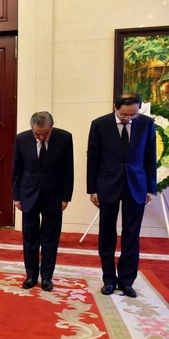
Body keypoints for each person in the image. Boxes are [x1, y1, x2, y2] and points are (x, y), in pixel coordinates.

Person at [87, 93, 157, 298]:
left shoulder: (146, 124)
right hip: (107, 185)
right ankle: (109, 279)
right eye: (125, 115)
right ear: (115, 108)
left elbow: (150, 157)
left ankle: (127, 281)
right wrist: (92, 189)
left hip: (136, 184)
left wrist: (150, 188)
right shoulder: (100, 124)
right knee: (107, 234)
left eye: (133, 114)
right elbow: (93, 158)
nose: (129, 118)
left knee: (131, 234)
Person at [12, 111, 74, 292]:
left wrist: (65, 197)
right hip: (28, 195)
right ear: (32, 128)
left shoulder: (64, 138)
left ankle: (47, 277)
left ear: (51, 127)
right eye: (37, 133)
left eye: (45, 133)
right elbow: (16, 169)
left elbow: (68, 170)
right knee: (30, 238)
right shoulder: (21, 139)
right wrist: (16, 197)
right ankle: (31, 275)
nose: (41, 137)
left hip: (54, 196)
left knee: (50, 239)